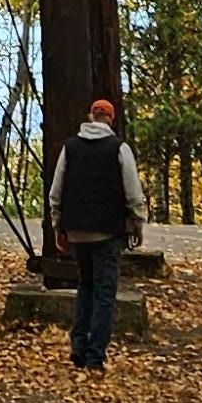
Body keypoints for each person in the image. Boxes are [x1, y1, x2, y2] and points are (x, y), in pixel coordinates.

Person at [46, 95, 144, 373]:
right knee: (104, 292)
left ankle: (77, 345)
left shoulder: (70, 147)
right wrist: (137, 224)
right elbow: (133, 193)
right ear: (110, 120)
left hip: (76, 231)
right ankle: (95, 354)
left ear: (91, 116)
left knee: (85, 286)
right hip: (107, 232)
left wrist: (58, 226)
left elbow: (56, 192)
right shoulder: (119, 149)